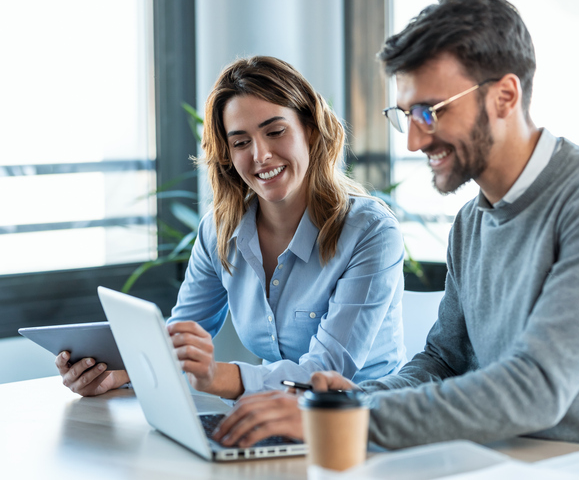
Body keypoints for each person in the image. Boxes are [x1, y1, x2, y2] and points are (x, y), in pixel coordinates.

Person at [210, 0, 579, 452]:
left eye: (432, 110)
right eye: (407, 115)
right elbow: (443, 360)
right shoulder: (472, 222)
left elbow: (536, 388)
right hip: (503, 457)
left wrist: (354, 418)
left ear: (505, 96)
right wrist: (349, 400)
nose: (413, 140)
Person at [56, 56, 407, 400]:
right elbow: (182, 340)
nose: (261, 155)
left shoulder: (370, 232)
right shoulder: (220, 231)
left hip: (364, 421)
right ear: (227, 153)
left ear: (311, 131)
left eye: (275, 131)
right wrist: (117, 375)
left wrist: (215, 376)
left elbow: (326, 372)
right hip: (272, 416)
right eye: (241, 142)